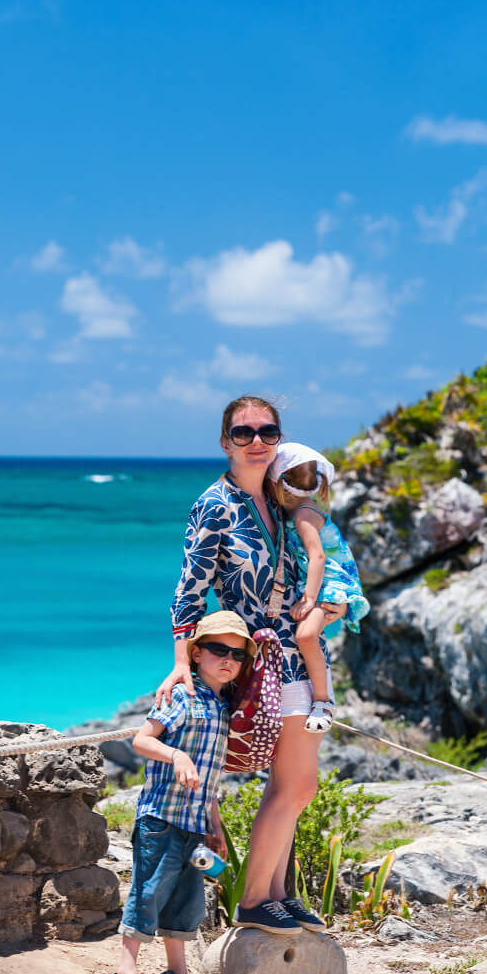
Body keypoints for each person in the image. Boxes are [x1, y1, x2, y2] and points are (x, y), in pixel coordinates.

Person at [165, 396, 342, 936]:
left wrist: (331, 605)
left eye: (268, 431)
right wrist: (181, 666)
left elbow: (321, 559)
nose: (257, 441)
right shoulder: (214, 505)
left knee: (297, 787)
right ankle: (254, 901)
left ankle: (277, 895)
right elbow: (189, 593)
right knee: (293, 786)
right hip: (259, 663)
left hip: (301, 657)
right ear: (226, 442)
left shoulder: (283, 496)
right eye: (243, 433)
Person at [112, 610, 247, 974]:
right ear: (197, 653)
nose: (228, 660)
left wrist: (215, 825)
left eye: (237, 655)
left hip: (194, 823)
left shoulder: (223, 708)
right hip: (161, 817)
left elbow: (210, 778)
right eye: (219, 650)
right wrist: (176, 754)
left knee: (187, 901)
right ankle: (125, 972)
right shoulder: (183, 696)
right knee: (149, 892)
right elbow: (141, 739)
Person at [266, 441, 370, 732]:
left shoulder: (303, 514)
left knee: (306, 635)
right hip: (329, 583)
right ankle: (320, 697)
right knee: (307, 636)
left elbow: (318, 556)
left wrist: (309, 598)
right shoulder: (306, 508)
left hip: (331, 584)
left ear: (280, 484)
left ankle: (323, 702)